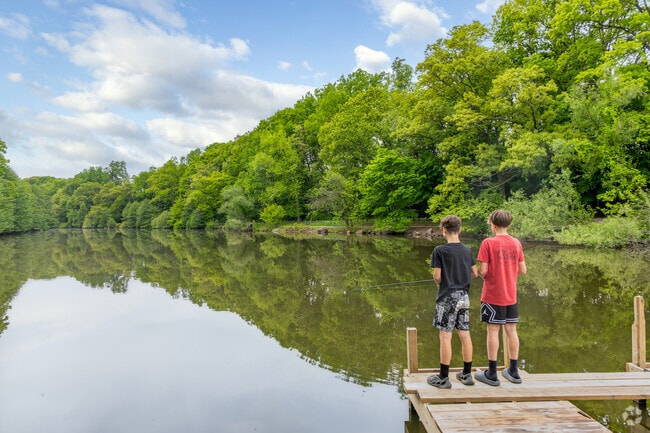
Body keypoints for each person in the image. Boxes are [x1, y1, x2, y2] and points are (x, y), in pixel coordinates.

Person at [474, 210, 527, 387]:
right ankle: (513, 370)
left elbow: (484, 271)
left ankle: (491, 373)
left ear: (492, 224)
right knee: (511, 330)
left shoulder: (488, 243)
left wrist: (480, 274)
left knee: (493, 331)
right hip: (510, 295)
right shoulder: (516, 243)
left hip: (492, 295)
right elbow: (523, 270)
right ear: (509, 224)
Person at [427, 215, 478, 389]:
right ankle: (466, 374)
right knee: (465, 334)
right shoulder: (467, 250)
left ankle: (443, 377)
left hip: (447, 297)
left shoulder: (440, 251)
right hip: (464, 297)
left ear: (444, 231)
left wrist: (442, 282)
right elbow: (475, 273)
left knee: (445, 336)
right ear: (460, 229)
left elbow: (437, 276)